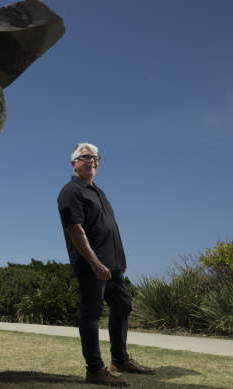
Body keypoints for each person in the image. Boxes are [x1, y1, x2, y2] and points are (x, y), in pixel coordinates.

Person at [57, 143, 155, 387]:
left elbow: (110, 229)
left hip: (112, 265)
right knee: (92, 314)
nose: (92, 160)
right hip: (93, 265)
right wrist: (96, 263)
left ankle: (120, 360)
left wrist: (119, 261)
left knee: (123, 306)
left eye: (96, 157)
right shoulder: (70, 191)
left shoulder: (99, 192)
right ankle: (94, 369)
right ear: (74, 163)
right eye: (86, 157)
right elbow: (75, 230)